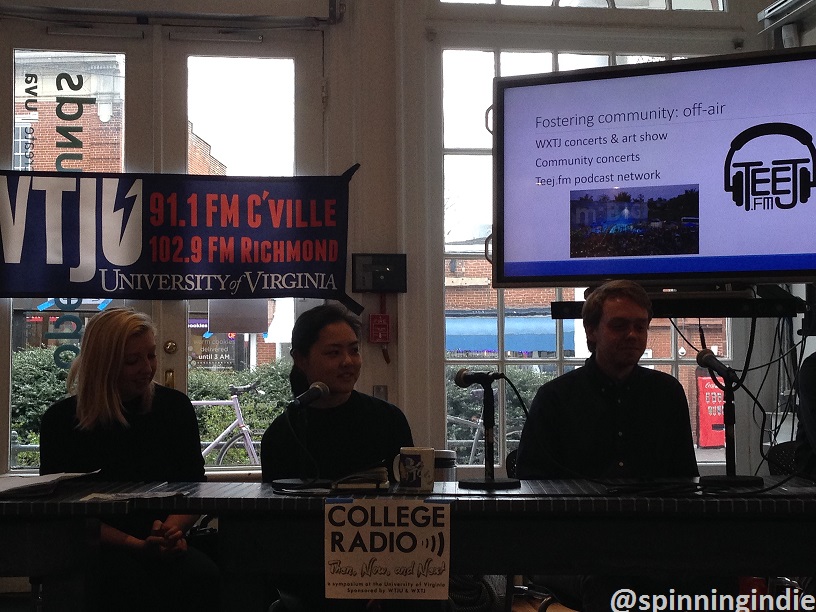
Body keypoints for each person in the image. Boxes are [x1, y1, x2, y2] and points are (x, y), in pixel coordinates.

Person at [515, 280, 731, 612]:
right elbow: (532, 487)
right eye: (619, 325)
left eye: (639, 326)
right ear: (591, 332)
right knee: (613, 586)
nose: (632, 335)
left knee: (721, 575)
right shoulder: (556, 399)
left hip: (650, 540)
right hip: (572, 546)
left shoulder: (667, 393)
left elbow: (685, 480)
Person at [261, 303, 442, 612]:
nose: (348, 362)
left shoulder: (388, 419)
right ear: (301, 360)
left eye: (354, 351)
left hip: (390, 563)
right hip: (312, 569)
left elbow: (412, 508)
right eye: (333, 353)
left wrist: (388, 580)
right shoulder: (283, 432)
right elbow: (278, 527)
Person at [39, 307, 220, 612]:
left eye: (150, 356)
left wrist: (172, 532)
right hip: (95, 546)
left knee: (204, 577)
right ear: (103, 365)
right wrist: (136, 545)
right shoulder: (61, 421)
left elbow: (193, 487)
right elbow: (62, 512)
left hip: (162, 538)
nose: (148, 368)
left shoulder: (174, 408)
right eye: (132, 361)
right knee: (124, 582)